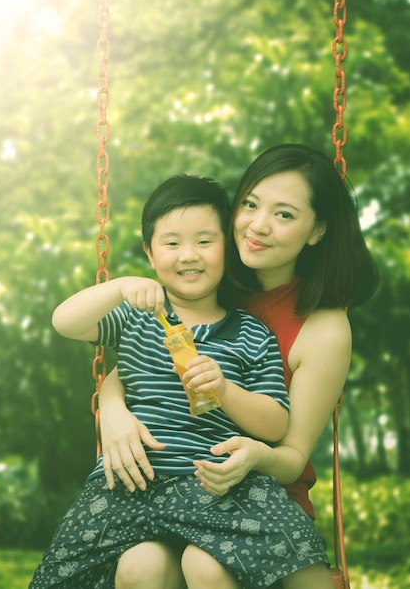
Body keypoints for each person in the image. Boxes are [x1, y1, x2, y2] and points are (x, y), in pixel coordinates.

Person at [30, 172, 332, 589]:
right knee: (64, 569)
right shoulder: (135, 318)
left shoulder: (250, 332)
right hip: (132, 483)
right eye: (172, 243)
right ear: (150, 255)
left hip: (214, 484)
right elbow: (64, 322)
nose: (189, 255)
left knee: (294, 547)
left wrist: (225, 390)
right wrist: (119, 287)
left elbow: (276, 424)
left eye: (205, 242)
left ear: (226, 248)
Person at [96, 143, 379, 589]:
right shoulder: (209, 280)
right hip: (170, 487)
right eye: (249, 204)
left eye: (284, 215)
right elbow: (143, 359)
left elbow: (290, 459)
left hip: (263, 502)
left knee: (206, 565)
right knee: (137, 566)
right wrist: (111, 411)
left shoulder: (324, 328)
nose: (257, 225)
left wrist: (256, 455)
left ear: (317, 230)